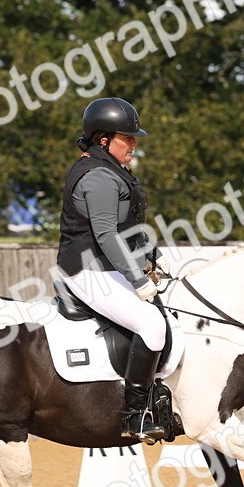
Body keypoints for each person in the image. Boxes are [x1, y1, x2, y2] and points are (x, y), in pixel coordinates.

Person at [56, 97, 170, 442]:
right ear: (103, 140)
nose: (134, 144)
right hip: (88, 271)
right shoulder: (99, 178)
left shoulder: (111, 170)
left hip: (106, 267)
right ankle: (134, 415)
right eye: (127, 138)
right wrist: (138, 279)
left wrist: (151, 255)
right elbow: (106, 236)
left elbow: (125, 230)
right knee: (151, 323)